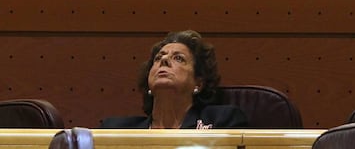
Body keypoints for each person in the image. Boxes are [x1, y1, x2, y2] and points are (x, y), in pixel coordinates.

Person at [100, 30, 248, 129]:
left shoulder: (222, 121)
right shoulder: (114, 129)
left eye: (178, 58)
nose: (164, 59)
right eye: (158, 58)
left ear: (198, 83)